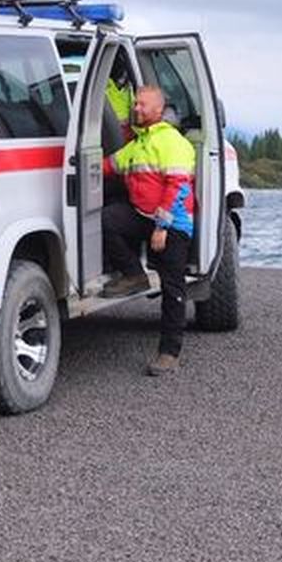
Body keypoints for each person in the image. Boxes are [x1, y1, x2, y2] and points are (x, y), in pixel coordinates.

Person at [99, 84, 198, 376]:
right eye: (136, 104)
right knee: (108, 221)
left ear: (158, 109)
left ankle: (169, 352)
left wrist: (162, 227)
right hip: (143, 214)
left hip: (173, 222)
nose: (136, 108)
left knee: (173, 286)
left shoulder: (172, 142)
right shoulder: (138, 143)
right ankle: (135, 276)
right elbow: (110, 165)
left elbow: (178, 187)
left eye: (142, 105)